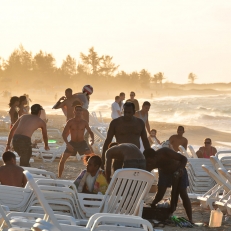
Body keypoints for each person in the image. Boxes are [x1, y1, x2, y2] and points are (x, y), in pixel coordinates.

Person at [144, 148, 192, 222]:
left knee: (183, 193)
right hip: (164, 173)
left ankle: (190, 219)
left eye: (150, 162)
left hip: (178, 169)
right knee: (160, 194)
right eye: (148, 163)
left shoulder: (165, 152)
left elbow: (184, 159)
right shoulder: (150, 163)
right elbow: (145, 175)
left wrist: (181, 169)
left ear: (155, 157)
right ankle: (153, 207)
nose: (150, 164)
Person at [102, 102, 150, 169]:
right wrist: (103, 160)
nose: (127, 114)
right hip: (120, 157)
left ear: (134, 112)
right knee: (118, 178)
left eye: (129, 112)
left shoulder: (140, 123)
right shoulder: (115, 123)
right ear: (123, 111)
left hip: (135, 157)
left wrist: (149, 158)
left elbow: (145, 141)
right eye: (125, 112)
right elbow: (108, 141)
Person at [58, 105, 94, 178]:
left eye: (80, 110)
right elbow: (64, 134)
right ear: (74, 112)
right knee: (62, 160)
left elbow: (90, 132)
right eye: (77, 110)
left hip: (82, 143)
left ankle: (94, 175)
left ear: (82, 112)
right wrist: (68, 144)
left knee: (93, 158)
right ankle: (59, 176)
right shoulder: (70, 122)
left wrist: (92, 140)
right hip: (72, 143)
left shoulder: (84, 122)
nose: (78, 111)